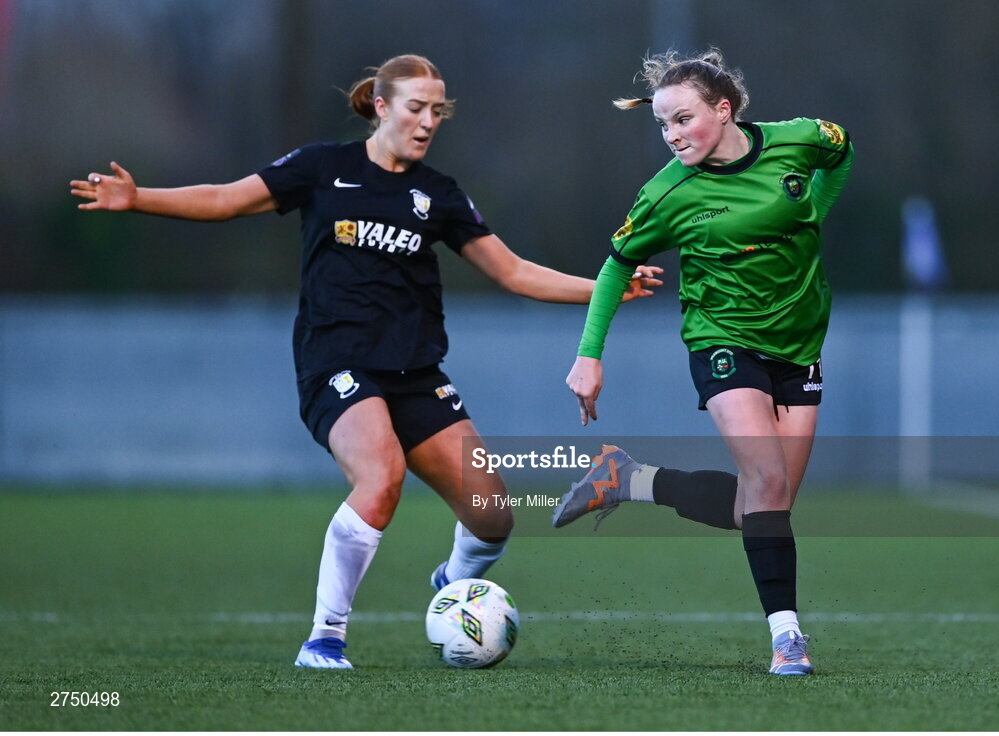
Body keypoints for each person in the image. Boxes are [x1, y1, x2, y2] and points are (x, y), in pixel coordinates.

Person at [70, 54, 662, 670]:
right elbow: (224, 198)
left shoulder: (439, 195)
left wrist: (606, 287)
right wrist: (139, 198)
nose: (428, 120)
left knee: (493, 516)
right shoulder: (322, 167)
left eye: (437, 110)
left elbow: (513, 272)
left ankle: (450, 586)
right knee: (381, 478)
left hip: (416, 375)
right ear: (381, 106)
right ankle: (324, 638)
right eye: (415, 107)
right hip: (336, 363)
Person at [555, 48, 854, 676]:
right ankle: (787, 637)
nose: (672, 136)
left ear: (723, 111)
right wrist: (588, 355)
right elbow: (615, 264)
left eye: (683, 120)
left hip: (800, 344)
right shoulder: (668, 191)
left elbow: (841, 149)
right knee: (767, 487)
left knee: (759, 508)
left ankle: (629, 479)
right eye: (662, 125)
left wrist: (813, 213)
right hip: (721, 340)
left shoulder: (797, 141)